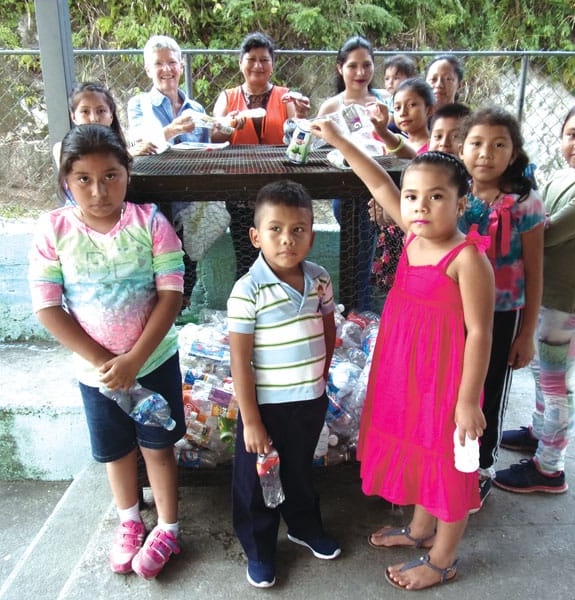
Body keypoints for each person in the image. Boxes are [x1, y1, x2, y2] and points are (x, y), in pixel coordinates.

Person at [313, 117, 494, 590]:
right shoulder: (412, 238)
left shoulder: (468, 259)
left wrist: (469, 400)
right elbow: (375, 177)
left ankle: (443, 559)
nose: (420, 206)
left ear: (462, 201)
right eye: (412, 196)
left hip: (448, 383)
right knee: (420, 450)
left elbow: (479, 333)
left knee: (450, 466)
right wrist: (337, 138)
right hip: (404, 374)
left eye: (437, 196)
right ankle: (419, 529)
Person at [28, 124, 186, 579]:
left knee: (158, 447)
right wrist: (105, 364)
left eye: (111, 176)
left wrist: (134, 360)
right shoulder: (53, 229)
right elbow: (47, 307)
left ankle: (169, 528)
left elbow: (170, 296)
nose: (99, 190)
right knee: (116, 452)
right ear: (65, 179)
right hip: (95, 373)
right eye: (84, 179)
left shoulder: (151, 224)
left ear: (127, 173)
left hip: (153, 361)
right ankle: (130, 520)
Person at [494, 96, 575, 493]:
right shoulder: (565, 175)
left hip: (568, 303)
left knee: (556, 386)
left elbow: (544, 233)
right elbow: (534, 217)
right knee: (542, 375)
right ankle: (538, 434)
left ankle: (550, 468)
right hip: (547, 296)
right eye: (572, 134)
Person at [227, 180, 340, 588]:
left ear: (312, 233)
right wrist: (252, 420)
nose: (287, 239)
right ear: (256, 236)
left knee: (298, 471)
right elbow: (240, 360)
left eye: (298, 229)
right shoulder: (247, 290)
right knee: (258, 480)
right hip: (266, 408)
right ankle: (259, 549)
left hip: (309, 400)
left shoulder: (320, 279)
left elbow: (328, 328)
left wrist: (322, 376)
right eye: (275, 229)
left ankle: (303, 526)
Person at [458, 106, 545, 508]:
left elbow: (534, 270)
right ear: (461, 148)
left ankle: (480, 468)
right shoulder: (454, 196)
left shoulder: (525, 204)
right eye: (476, 143)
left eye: (498, 145)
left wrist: (526, 333)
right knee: (453, 387)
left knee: (488, 391)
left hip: (501, 313)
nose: (485, 154)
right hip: (453, 309)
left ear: (513, 154)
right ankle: (450, 460)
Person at [213, 32, 311, 280]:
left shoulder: (285, 96)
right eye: (251, 59)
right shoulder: (228, 97)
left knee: (283, 254)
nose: (258, 65)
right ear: (240, 63)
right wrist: (227, 126)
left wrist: (301, 118)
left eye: (264, 60)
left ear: (273, 64)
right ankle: (248, 307)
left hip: (280, 186)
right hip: (240, 187)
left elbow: (296, 137)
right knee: (245, 254)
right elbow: (214, 138)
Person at [127, 35, 211, 311]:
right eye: (158, 64)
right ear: (148, 70)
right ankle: (159, 318)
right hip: (153, 200)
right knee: (158, 265)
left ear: (180, 66)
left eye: (172, 62)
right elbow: (142, 144)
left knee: (187, 264)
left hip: (190, 201)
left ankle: (182, 313)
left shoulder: (196, 109)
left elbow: (206, 150)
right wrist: (173, 129)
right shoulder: (139, 104)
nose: (166, 69)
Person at [318, 35, 387, 311]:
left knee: (368, 256)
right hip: (345, 194)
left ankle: (358, 309)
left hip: (379, 193)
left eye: (367, 65)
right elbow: (316, 150)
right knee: (356, 254)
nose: (361, 73)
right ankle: (358, 309)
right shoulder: (331, 106)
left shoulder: (383, 102)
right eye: (353, 66)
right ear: (340, 68)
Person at [367, 78, 434, 295]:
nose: (403, 112)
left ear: (429, 109)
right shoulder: (391, 145)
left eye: (412, 105)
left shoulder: (433, 146)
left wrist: (384, 132)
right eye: (397, 107)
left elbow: (413, 158)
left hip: (415, 230)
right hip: (391, 229)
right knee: (394, 289)